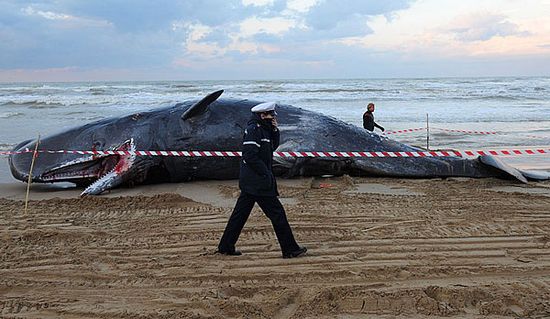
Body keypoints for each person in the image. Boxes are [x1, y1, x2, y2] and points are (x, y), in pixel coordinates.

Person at [217, 102, 307, 259]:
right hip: (257, 182)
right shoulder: (253, 130)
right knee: (277, 214)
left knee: (239, 215)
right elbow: (249, 155)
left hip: (253, 181)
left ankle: (226, 246)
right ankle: (290, 249)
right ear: (262, 115)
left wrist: (275, 129)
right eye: (271, 115)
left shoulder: (264, 130)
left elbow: (272, 147)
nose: (273, 117)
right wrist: (265, 173)